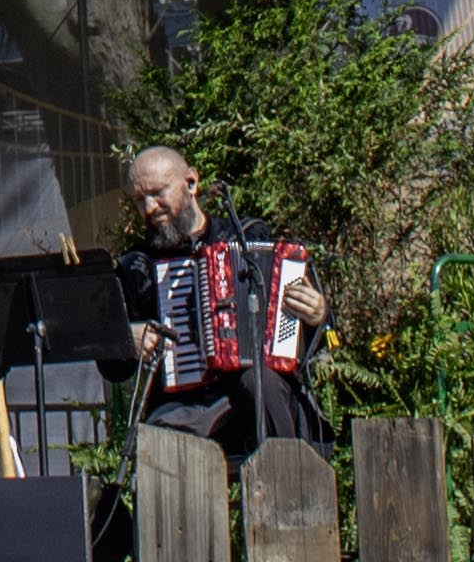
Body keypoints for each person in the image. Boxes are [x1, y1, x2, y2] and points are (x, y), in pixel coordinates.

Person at [104, 144, 327, 460]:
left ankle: (289, 493)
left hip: (259, 392)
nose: (150, 208)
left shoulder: (249, 237)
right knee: (159, 436)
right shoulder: (137, 266)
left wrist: (316, 316)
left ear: (191, 183)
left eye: (157, 193)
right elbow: (112, 366)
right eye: (140, 200)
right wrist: (129, 339)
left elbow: (308, 344)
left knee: (259, 380)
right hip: (190, 403)